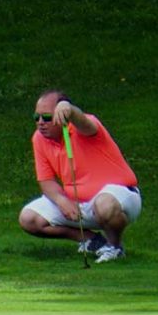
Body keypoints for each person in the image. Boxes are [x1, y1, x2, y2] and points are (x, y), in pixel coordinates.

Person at [18, 90, 141, 263]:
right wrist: (62, 201)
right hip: (78, 202)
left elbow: (83, 122)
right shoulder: (39, 139)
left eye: (46, 117)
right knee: (28, 218)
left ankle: (115, 247)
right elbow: (46, 181)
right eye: (36, 117)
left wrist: (70, 109)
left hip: (121, 197)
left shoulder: (83, 127)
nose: (40, 123)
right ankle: (91, 240)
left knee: (104, 204)